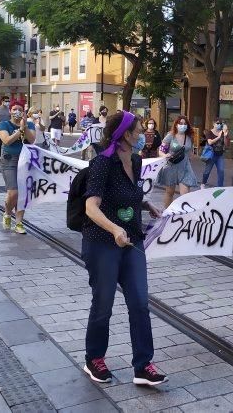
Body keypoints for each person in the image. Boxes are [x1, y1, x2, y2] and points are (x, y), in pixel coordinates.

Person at [80, 111, 167, 386]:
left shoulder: (137, 161)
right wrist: (114, 229)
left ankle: (143, 365)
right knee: (103, 304)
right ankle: (94, 358)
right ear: (125, 135)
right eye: (139, 130)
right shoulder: (102, 163)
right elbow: (91, 207)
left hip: (132, 241)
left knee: (140, 303)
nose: (143, 134)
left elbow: (128, 194)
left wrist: (146, 204)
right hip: (102, 242)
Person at [0, 103, 36, 234]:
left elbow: (31, 140)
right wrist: (19, 130)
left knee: (23, 193)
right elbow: (6, 141)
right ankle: (7, 213)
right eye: (14, 109)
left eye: (20, 110)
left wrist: (24, 127)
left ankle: (19, 223)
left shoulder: (28, 124)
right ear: (10, 111)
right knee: (13, 192)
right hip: (9, 160)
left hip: (25, 160)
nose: (17, 112)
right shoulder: (4, 124)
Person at [157, 116, 198, 208]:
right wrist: (164, 155)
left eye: (185, 124)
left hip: (185, 167)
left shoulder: (189, 137)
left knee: (185, 194)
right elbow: (161, 150)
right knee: (170, 192)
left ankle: (184, 215)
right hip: (171, 166)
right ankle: (167, 213)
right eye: (180, 123)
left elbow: (190, 151)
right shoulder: (170, 135)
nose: (182, 125)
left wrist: (190, 158)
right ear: (176, 125)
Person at [201, 119, 227, 189]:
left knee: (221, 171)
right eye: (217, 123)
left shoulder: (222, 132)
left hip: (220, 155)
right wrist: (218, 137)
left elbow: (226, 144)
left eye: (220, 123)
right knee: (207, 171)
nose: (219, 125)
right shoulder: (209, 132)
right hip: (211, 155)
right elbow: (210, 142)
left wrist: (224, 136)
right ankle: (203, 183)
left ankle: (220, 187)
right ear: (213, 124)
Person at [0, 96, 11, 161]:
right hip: (1, 128)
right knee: (0, 142)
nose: (8, 102)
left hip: (9, 127)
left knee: (8, 142)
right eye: (6, 101)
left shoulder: (10, 109)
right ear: (2, 101)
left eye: (8, 101)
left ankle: (7, 155)